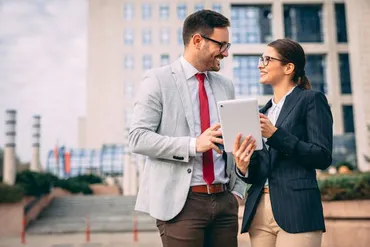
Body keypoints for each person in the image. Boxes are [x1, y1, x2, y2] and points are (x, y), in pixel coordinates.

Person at [129, 10, 246, 247]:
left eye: (228, 45)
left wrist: (237, 192)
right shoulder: (157, 80)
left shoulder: (226, 86)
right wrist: (193, 145)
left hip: (225, 201)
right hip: (181, 205)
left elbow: (235, 143)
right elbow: (138, 138)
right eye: (222, 45)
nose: (225, 53)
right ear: (197, 41)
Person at [233, 38, 333, 247]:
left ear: (288, 67)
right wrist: (243, 167)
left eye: (268, 59)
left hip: (298, 209)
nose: (261, 64)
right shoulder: (260, 113)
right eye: (262, 59)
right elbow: (260, 169)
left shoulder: (311, 100)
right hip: (259, 210)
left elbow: (322, 156)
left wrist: (276, 135)